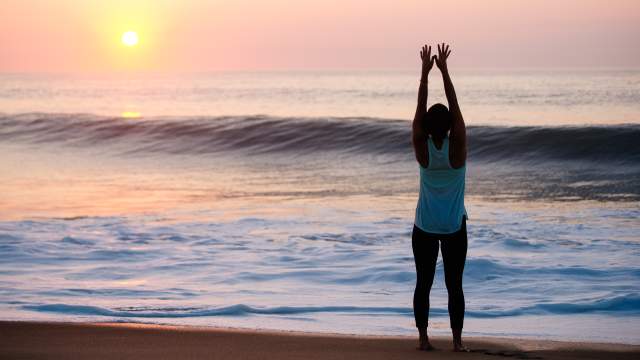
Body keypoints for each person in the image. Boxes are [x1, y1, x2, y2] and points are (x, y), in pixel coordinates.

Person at [411, 43, 469, 352]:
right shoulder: (457, 152)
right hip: (454, 229)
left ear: (425, 128)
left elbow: (418, 115)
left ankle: (423, 339)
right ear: (449, 128)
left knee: (424, 283)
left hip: (424, 228)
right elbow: (455, 107)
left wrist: (424, 74)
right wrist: (445, 71)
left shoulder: (423, 153)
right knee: (454, 285)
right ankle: (457, 343)